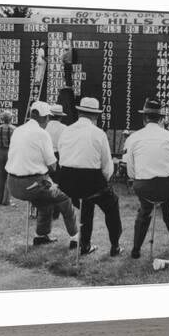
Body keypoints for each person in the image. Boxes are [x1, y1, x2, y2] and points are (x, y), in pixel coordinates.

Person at [5, 101, 78, 248]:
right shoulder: (42, 134)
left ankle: (41, 236)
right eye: (48, 118)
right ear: (44, 118)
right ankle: (76, 237)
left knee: (45, 203)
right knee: (64, 197)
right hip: (32, 183)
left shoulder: (18, 130)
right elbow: (52, 165)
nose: (48, 121)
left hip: (12, 183)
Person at [58, 97, 123, 256]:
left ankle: (85, 245)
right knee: (111, 204)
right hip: (90, 181)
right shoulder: (98, 133)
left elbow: (62, 157)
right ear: (95, 116)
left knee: (87, 202)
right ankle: (115, 246)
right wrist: (103, 183)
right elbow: (107, 167)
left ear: (80, 113)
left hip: (66, 182)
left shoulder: (66, 131)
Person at [126, 98, 169, 259]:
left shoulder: (134, 137)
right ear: (161, 119)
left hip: (144, 185)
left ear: (144, 117)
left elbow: (131, 171)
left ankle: (136, 250)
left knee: (144, 212)